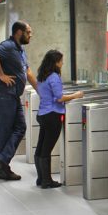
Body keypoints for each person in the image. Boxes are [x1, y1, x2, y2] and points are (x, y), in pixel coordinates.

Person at [0, 21, 37, 181]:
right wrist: (1, 75)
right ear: (19, 32)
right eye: (28, 32)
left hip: (12, 95)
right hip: (1, 93)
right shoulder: (8, 46)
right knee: (5, 130)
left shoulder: (21, 50)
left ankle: (2, 161)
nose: (31, 34)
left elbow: (28, 72)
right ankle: (2, 167)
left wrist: (42, 91)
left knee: (21, 127)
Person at [34, 50, 84, 188]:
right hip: (53, 115)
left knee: (40, 147)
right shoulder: (54, 76)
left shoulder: (42, 76)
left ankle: (40, 178)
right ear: (55, 62)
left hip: (42, 114)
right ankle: (46, 181)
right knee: (46, 149)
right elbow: (59, 98)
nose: (62, 63)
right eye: (61, 60)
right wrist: (76, 95)